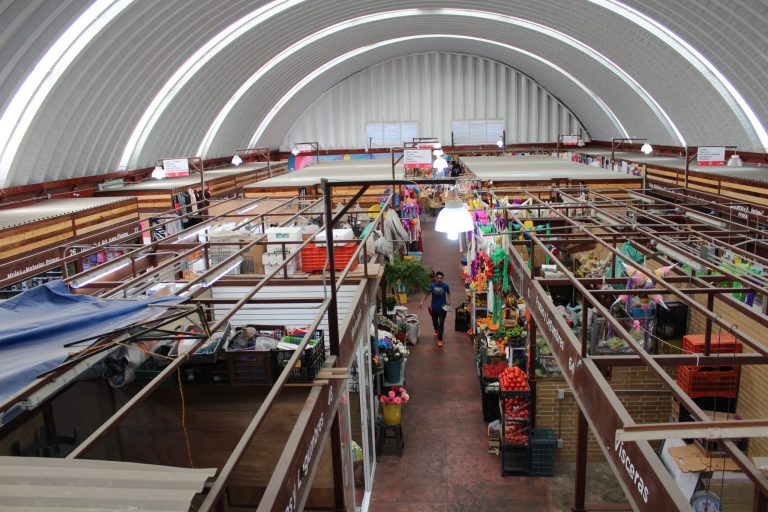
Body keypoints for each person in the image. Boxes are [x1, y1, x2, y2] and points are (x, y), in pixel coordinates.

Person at [419, 271, 451, 347]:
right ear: (436, 278)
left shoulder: (446, 286)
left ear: (443, 278)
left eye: (441, 278)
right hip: (434, 307)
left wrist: (449, 301)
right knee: (435, 321)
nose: (439, 279)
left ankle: (440, 339)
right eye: (438, 278)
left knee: (441, 324)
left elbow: (448, 293)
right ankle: (436, 329)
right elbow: (427, 294)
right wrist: (421, 302)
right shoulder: (432, 286)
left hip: (443, 308)